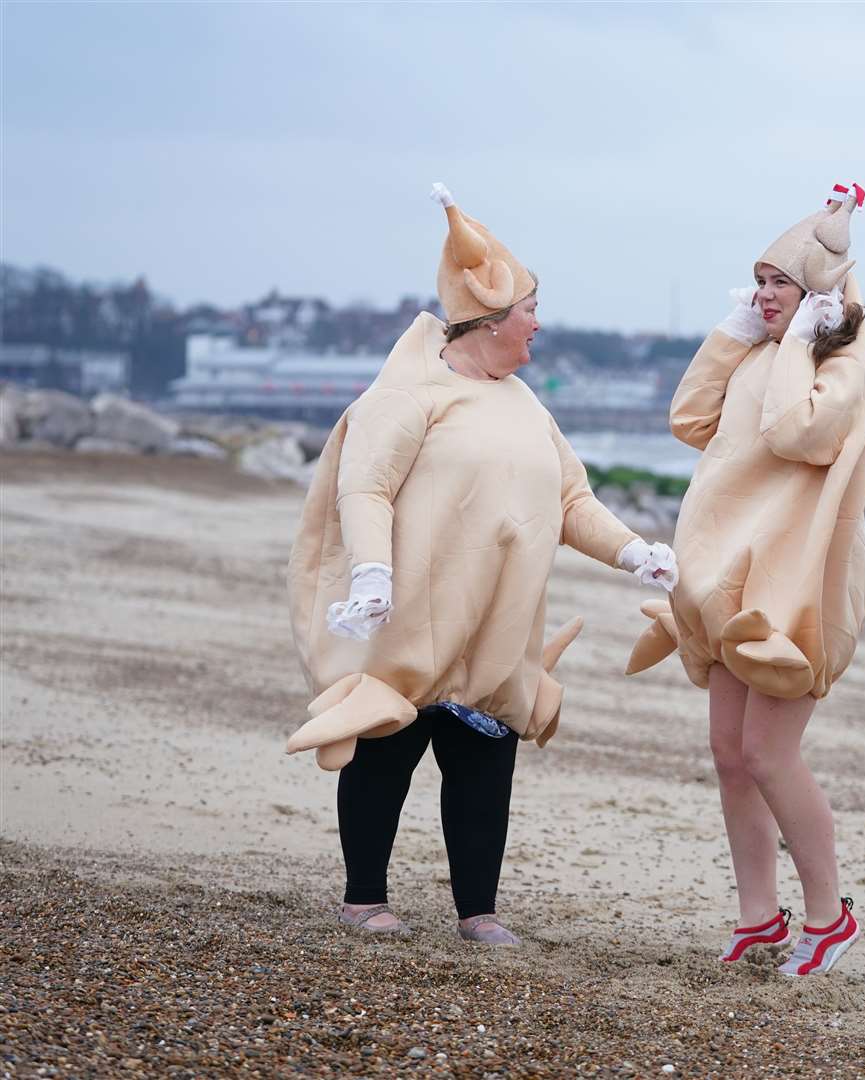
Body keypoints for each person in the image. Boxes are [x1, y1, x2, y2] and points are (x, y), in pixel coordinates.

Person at [284, 184, 677, 945]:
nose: (538, 324)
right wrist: (371, 573)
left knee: (483, 763)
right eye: (530, 309)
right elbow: (364, 488)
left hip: (496, 629)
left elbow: (571, 500)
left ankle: (478, 912)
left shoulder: (526, 403)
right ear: (491, 322)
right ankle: (364, 898)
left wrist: (634, 551)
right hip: (411, 620)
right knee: (386, 749)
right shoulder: (407, 395)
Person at [624, 183, 865, 976]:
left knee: (771, 755)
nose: (760, 294)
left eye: (776, 283)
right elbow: (690, 421)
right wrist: (734, 336)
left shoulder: (849, 363)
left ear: (818, 295)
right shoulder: (764, 353)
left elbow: (795, 431)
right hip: (724, 582)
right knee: (731, 755)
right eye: (756, 280)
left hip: (793, 586)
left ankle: (826, 915)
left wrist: (804, 341)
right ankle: (756, 917)